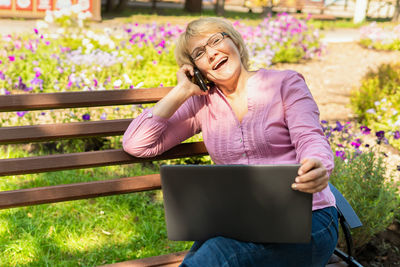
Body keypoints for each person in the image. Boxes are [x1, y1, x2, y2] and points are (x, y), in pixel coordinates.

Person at [123, 17, 338, 266]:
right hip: (243, 221)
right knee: (205, 255)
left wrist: (317, 164)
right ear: (196, 69)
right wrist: (182, 91)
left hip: (309, 220)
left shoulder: (285, 84)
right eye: (200, 53)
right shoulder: (200, 102)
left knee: (216, 256)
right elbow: (137, 144)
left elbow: (310, 137)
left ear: (234, 41)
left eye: (216, 40)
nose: (212, 53)